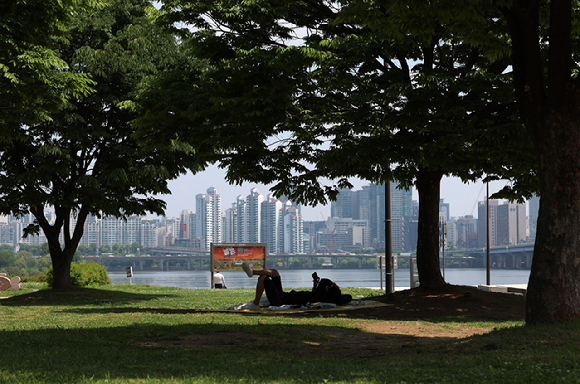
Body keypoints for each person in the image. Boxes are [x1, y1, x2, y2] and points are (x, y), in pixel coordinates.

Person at [241, 262, 347, 308]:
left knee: (263, 278)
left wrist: (333, 284)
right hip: (284, 295)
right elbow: (319, 288)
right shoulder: (318, 295)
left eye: (329, 287)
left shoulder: (321, 296)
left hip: (280, 300)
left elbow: (324, 281)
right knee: (275, 272)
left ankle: (255, 303)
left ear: (328, 290)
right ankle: (252, 272)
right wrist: (315, 285)